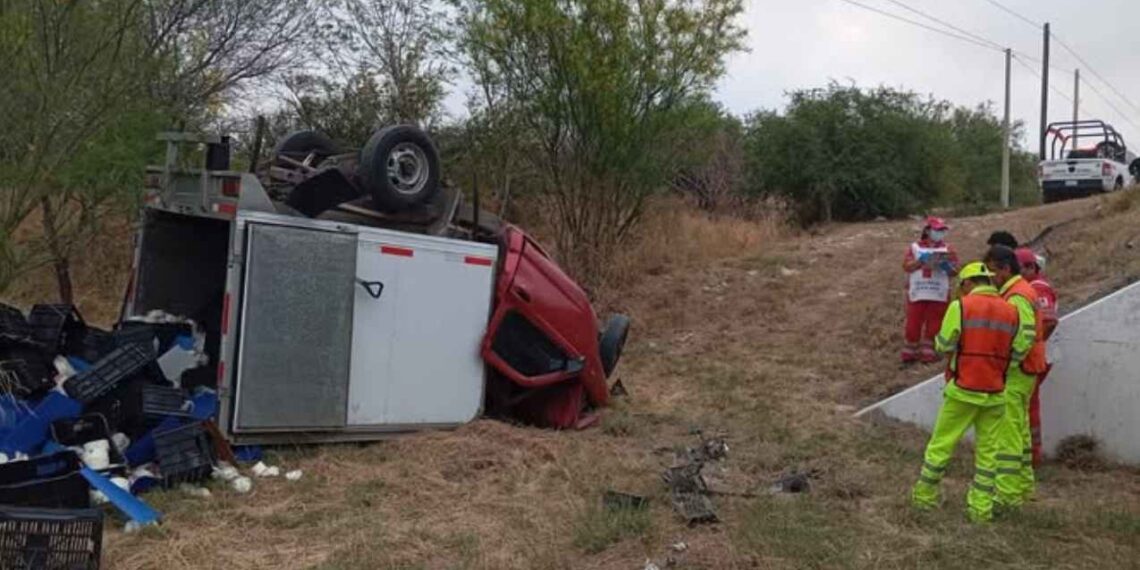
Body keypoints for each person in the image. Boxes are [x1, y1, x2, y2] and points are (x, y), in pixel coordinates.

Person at [911, 262, 1025, 523]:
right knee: (988, 454)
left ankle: (924, 497)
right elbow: (1018, 352)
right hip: (996, 392)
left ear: (967, 283)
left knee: (941, 445)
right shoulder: (1012, 311)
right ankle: (980, 510)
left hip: (963, 390)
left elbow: (943, 344)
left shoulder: (960, 307)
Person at [984, 245, 1049, 509]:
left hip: (1017, 371)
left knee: (1009, 433)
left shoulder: (1017, 296)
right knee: (1020, 431)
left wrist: (1005, 366)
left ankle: (1008, 495)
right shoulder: (1020, 290)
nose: (990, 278)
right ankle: (1023, 486)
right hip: (1026, 370)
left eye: (992, 272)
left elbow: (1023, 338)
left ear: (1005, 268)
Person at [1017, 248, 1059, 467]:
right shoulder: (1033, 287)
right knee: (1026, 404)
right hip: (1036, 355)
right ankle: (1030, 453)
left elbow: (1049, 321)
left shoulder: (1037, 288)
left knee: (1028, 405)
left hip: (1035, 358)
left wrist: (1033, 346)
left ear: (1030, 268)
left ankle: (1032, 455)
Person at [901, 217, 960, 364]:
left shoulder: (948, 248)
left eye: (942, 230)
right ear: (927, 230)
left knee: (935, 321)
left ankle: (929, 349)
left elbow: (955, 271)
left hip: (938, 291)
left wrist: (946, 266)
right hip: (918, 290)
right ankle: (911, 349)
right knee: (913, 321)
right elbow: (906, 266)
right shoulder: (915, 247)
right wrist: (920, 261)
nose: (940, 233)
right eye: (937, 230)